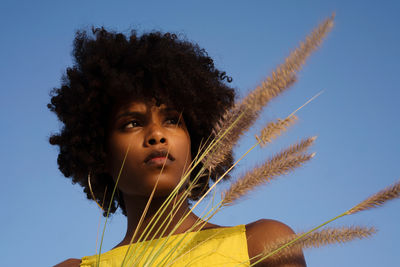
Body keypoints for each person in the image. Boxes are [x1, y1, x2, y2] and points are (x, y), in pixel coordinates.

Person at [50, 28, 306, 267]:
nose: (156, 134)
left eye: (172, 120)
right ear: (100, 153)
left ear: (196, 141)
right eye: (132, 123)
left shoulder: (262, 245)